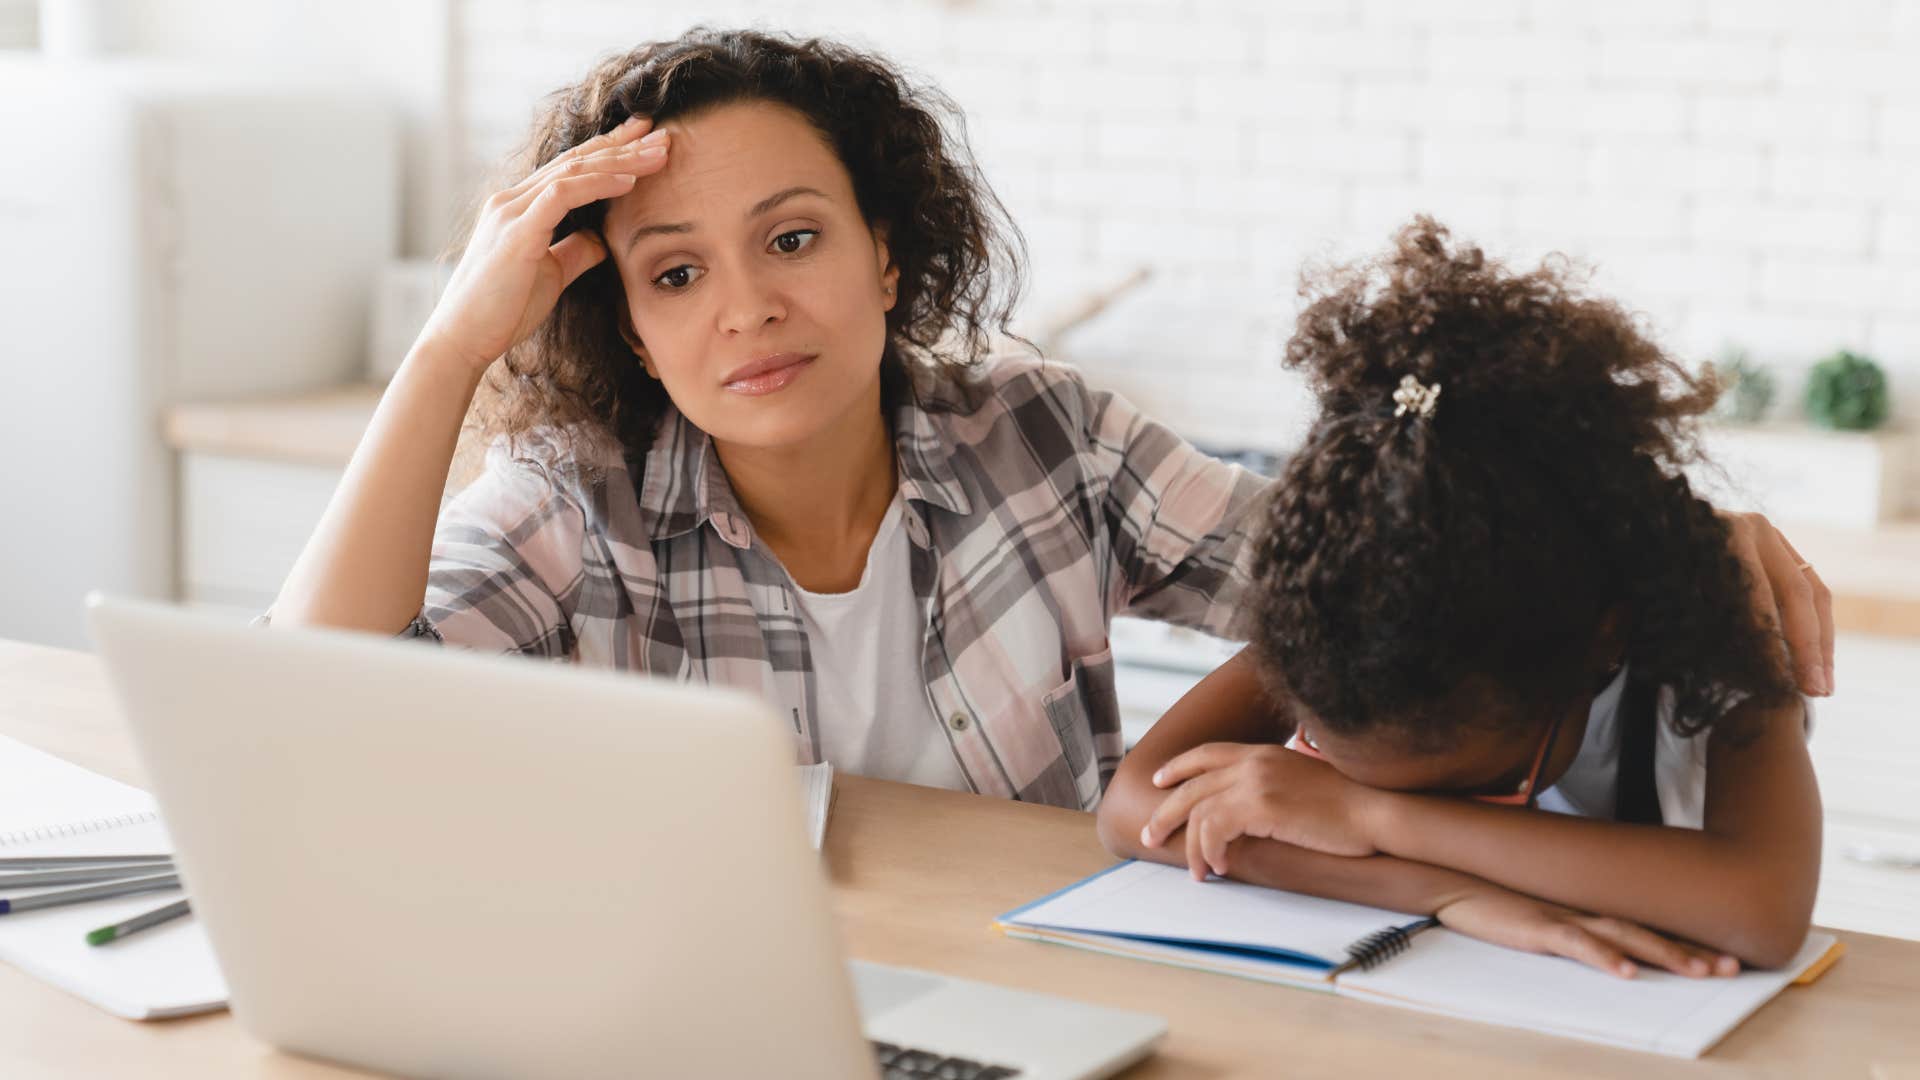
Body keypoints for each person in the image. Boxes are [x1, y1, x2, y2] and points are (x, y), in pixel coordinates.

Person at [272, 28, 1834, 817]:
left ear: (890, 252)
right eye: (674, 274)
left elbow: (1362, 578)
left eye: (795, 238)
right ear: (627, 323)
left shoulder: (1043, 438)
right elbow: (312, 711)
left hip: (1021, 998)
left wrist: (1674, 527)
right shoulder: (573, 500)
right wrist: (452, 347)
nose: (745, 305)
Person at [1100, 218, 1824, 976]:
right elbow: (1132, 813)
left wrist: (1368, 816)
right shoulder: (1349, 607)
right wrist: (1445, 893)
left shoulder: (1720, 618)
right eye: (1333, 770)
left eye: (1482, 793)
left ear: (1601, 641)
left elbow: (1762, 909)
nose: (1391, 807)